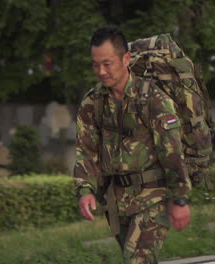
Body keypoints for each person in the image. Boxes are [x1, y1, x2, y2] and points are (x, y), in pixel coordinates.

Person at [73, 25, 192, 264]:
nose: (101, 71)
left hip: (151, 197)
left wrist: (180, 199)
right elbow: (86, 149)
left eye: (107, 63)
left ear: (126, 58)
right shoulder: (92, 102)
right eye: (95, 65)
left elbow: (171, 152)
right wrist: (84, 190)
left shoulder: (153, 100)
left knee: (136, 261)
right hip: (114, 202)